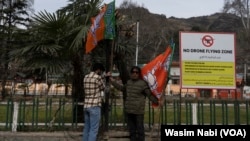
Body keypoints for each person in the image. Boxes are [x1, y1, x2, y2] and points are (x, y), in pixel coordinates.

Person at [107, 66, 159, 141]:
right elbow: (121, 88)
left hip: (138, 111)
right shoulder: (128, 82)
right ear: (131, 74)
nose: (134, 74)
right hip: (129, 110)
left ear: (139, 74)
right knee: (132, 130)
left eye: (136, 72)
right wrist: (112, 81)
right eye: (133, 72)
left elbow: (149, 95)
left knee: (140, 129)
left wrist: (157, 101)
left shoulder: (143, 84)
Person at [83, 63, 105, 141]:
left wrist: (102, 76)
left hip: (86, 105)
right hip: (95, 105)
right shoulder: (98, 78)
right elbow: (103, 87)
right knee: (94, 129)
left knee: (87, 128)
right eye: (101, 71)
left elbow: (94, 81)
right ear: (98, 70)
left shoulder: (86, 77)